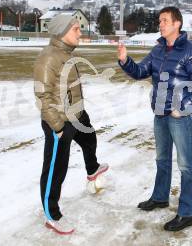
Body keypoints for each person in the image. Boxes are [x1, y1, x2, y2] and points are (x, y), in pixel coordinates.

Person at [117, 6, 192, 231]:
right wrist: (125, 60)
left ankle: (187, 213)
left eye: (165, 20)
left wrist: (184, 108)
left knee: (186, 166)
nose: (161, 24)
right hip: (159, 114)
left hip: (180, 118)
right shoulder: (158, 50)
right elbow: (140, 71)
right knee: (162, 160)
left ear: (177, 23)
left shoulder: (191, 51)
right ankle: (160, 197)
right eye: (160, 21)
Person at [33, 14, 108, 235]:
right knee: (56, 170)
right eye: (75, 29)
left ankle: (92, 169)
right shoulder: (48, 59)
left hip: (76, 115)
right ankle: (52, 216)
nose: (79, 32)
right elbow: (42, 97)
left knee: (90, 138)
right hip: (59, 122)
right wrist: (57, 128)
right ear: (62, 31)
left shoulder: (65, 54)